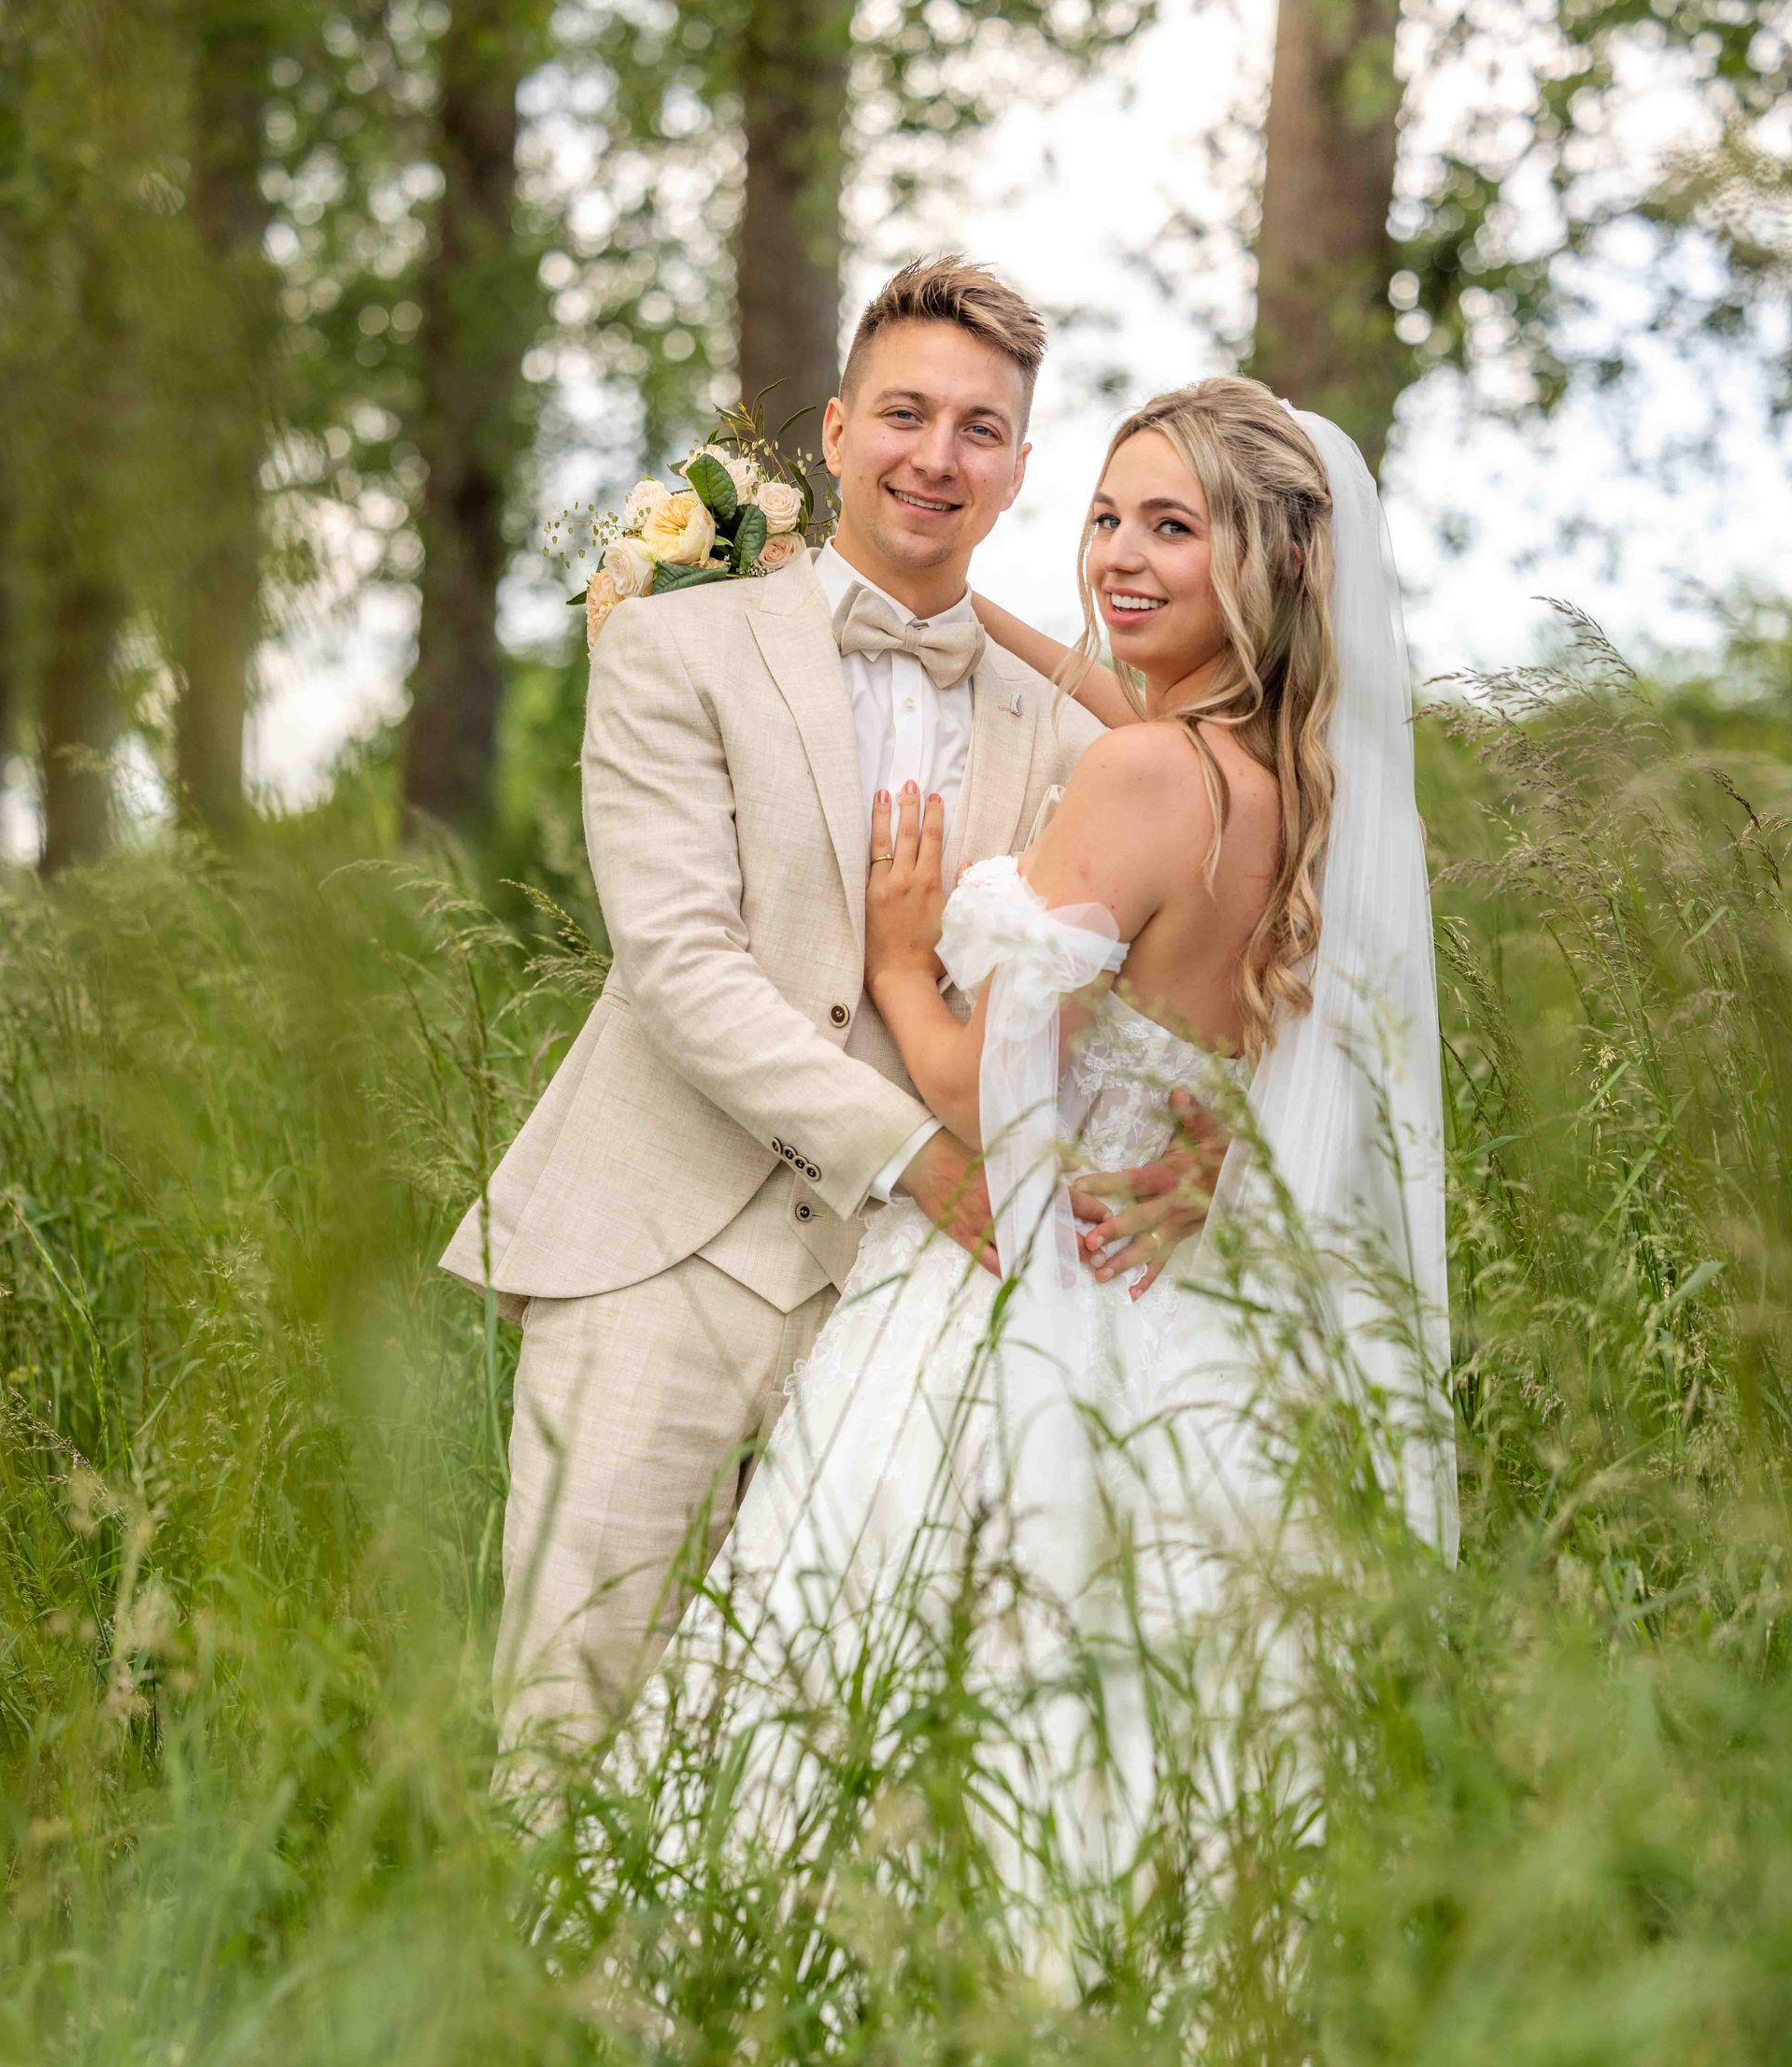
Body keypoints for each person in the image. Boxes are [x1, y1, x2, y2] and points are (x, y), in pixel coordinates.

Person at [610, 378, 1458, 1893]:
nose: (1122, 557)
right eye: (1109, 516)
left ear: (1270, 562)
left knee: (867, 1659)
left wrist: (894, 951)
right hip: (1173, 1324)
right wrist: (949, 606)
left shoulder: (1135, 774)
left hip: (1010, 1288)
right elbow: (1129, 713)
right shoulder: (1286, 790)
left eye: (1174, 529)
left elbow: (983, 1102)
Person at [442, 258, 1221, 1757]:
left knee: (806, 1747)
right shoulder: (675, 644)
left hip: (909, 1316)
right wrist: (924, 1156)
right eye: (910, 415)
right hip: (657, 1255)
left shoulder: (1074, 726)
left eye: (981, 430)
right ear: (840, 429)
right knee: (565, 1718)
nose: (940, 456)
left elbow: (1202, 952)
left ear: (1017, 474)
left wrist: (1207, 1140)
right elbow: (681, 967)